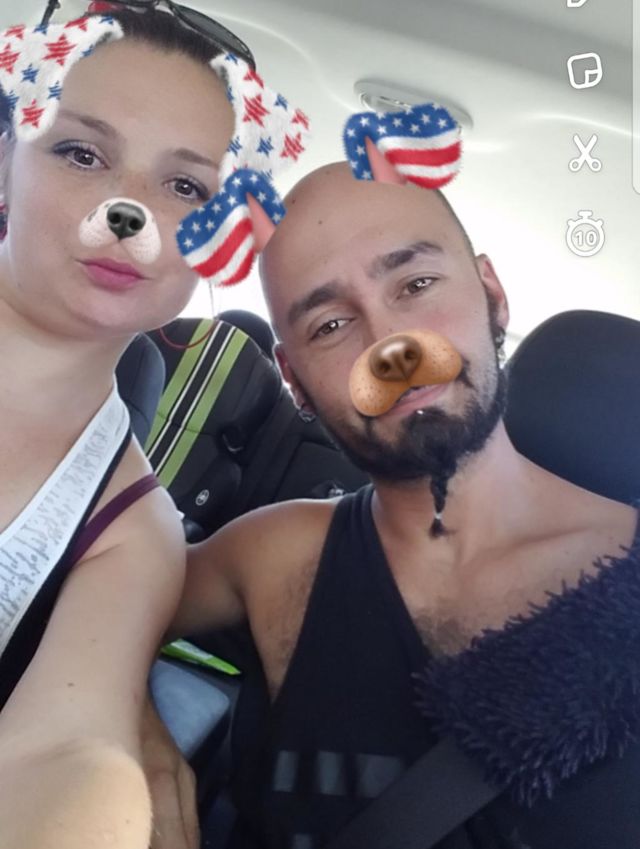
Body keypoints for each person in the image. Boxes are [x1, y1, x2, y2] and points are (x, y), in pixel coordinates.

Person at [173, 161, 640, 849]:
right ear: (294, 381)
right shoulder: (274, 555)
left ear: (492, 294)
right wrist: (120, 720)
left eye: (416, 284)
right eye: (330, 324)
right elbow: (89, 602)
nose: (390, 347)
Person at [0, 4, 308, 847]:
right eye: (81, 153)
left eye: (185, 188)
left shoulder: (134, 530)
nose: (126, 208)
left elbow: (67, 750)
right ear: (6, 162)